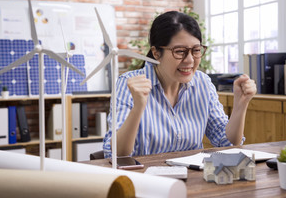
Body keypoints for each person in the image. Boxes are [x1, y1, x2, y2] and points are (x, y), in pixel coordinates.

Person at [103, 11, 256, 158]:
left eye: (196, 50)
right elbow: (117, 153)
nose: (190, 60)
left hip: (193, 180)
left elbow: (227, 141)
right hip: (146, 180)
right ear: (156, 53)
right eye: (180, 51)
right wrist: (138, 107)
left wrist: (240, 105)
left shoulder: (203, 83)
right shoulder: (129, 84)